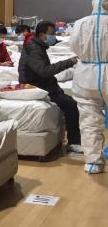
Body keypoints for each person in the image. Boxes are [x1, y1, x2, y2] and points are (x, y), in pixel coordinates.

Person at [19, 21, 81, 153]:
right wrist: (69, 62)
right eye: (51, 34)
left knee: (70, 101)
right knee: (71, 105)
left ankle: (73, 141)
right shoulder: (34, 49)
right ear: (42, 35)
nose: (54, 36)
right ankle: (74, 143)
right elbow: (44, 71)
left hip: (42, 85)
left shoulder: (38, 46)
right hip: (36, 87)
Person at [70, 0, 108, 174]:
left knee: (89, 121)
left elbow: (74, 47)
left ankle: (93, 163)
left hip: (85, 76)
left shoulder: (80, 24)